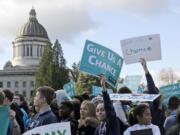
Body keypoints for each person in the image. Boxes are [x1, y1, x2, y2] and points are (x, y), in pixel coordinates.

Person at [140, 58, 166, 135]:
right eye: (144, 93)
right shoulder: (139, 109)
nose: (145, 96)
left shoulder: (155, 105)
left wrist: (145, 69)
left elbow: (151, 88)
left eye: (147, 93)